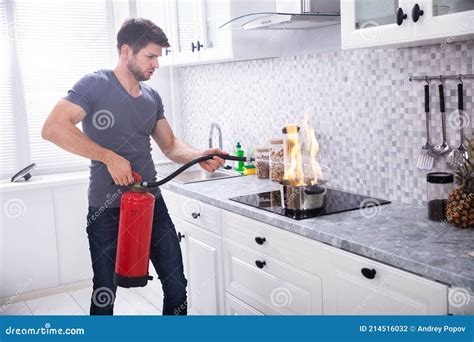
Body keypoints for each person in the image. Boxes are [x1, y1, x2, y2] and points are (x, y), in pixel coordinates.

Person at [41, 17, 227, 315]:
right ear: (126, 52)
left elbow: (170, 145)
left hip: (151, 205)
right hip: (106, 210)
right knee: (105, 290)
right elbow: (52, 127)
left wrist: (199, 155)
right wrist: (108, 156)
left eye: (158, 57)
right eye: (150, 56)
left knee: (176, 284)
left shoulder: (151, 97)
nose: (156, 64)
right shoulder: (95, 84)